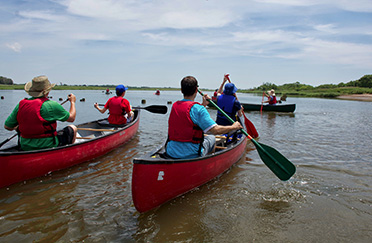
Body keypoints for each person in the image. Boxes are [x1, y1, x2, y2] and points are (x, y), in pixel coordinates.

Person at [166, 76, 243, 159]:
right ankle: (209, 161)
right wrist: (234, 127)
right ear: (196, 90)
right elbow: (215, 130)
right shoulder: (199, 109)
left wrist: (204, 104)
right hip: (191, 153)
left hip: (171, 151)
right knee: (211, 138)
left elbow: (189, 116)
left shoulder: (175, 106)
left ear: (181, 90)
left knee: (205, 135)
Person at [4, 75, 77, 151]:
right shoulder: (51, 105)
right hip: (48, 145)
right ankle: (67, 153)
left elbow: (8, 127)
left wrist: (20, 127)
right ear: (47, 91)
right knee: (73, 128)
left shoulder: (20, 105)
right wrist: (72, 102)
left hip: (25, 145)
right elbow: (71, 118)